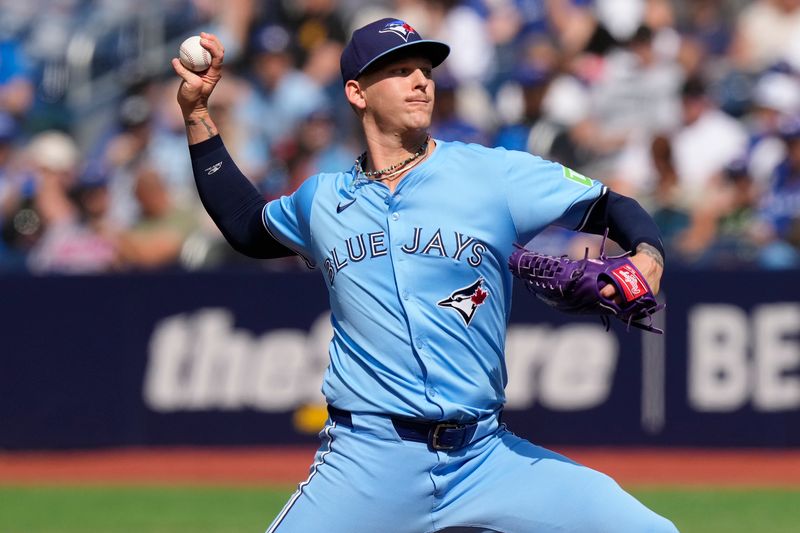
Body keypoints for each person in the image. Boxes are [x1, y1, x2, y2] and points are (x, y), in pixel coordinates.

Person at [172, 18, 676, 533]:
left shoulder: (490, 173)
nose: (421, 81)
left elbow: (611, 205)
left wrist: (648, 257)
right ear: (357, 92)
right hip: (367, 463)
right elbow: (245, 226)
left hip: (485, 457)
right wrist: (197, 115)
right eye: (399, 70)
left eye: (425, 69)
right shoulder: (321, 199)